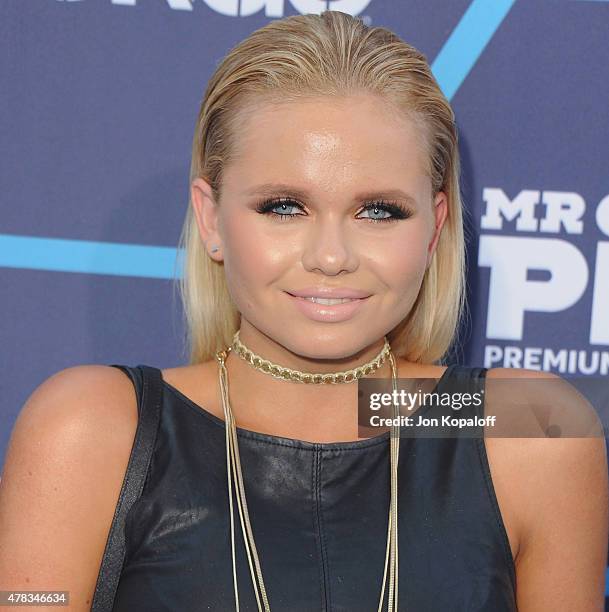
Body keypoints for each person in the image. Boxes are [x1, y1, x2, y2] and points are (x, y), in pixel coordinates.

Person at [0, 10, 607, 612]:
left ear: (434, 228)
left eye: (379, 211)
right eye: (285, 207)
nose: (331, 256)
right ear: (211, 219)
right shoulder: (93, 429)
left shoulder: (528, 424)